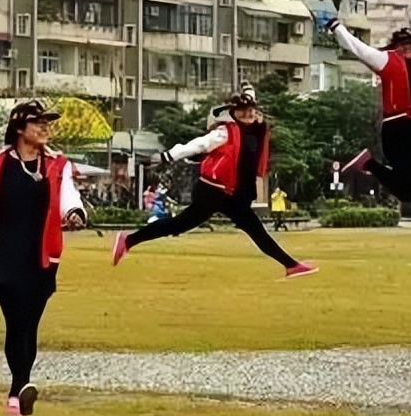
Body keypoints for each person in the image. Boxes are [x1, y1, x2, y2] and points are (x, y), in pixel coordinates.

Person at [0, 100, 88, 416]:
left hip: (40, 255)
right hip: (2, 254)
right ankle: (21, 387)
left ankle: (18, 389)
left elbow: (69, 196)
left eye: (47, 122)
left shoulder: (57, 165)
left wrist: (75, 212)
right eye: (38, 122)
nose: (45, 127)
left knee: (29, 324)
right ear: (20, 128)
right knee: (16, 319)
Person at [111, 83, 317, 279]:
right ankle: (291, 265)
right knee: (187, 225)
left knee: (183, 225)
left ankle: (128, 240)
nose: (248, 113)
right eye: (242, 111)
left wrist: (249, 93)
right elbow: (196, 145)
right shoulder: (224, 132)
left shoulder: (255, 131)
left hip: (231, 194)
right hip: (213, 191)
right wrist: (166, 157)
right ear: (233, 113)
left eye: (250, 109)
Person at [331, 3, 411, 220]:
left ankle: (368, 163)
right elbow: (358, 48)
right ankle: (368, 163)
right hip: (396, 130)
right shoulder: (387, 60)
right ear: (397, 47)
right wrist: (336, 27)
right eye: (405, 46)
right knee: (407, 190)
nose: (410, 50)